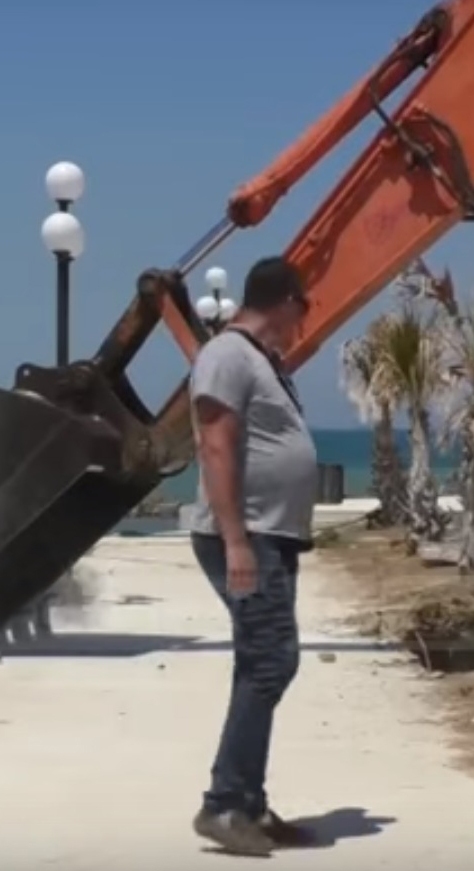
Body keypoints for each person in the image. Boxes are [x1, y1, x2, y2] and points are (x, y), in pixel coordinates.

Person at [184, 256, 318, 856]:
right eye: (303, 307)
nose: (303, 320)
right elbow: (215, 444)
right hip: (246, 535)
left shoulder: (261, 360)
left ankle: (248, 804)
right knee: (270, 660)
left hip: (270, 533)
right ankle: (224, 804)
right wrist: (235, 539)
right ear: (286, 301)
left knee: (261, 661)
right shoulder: (227, 355)